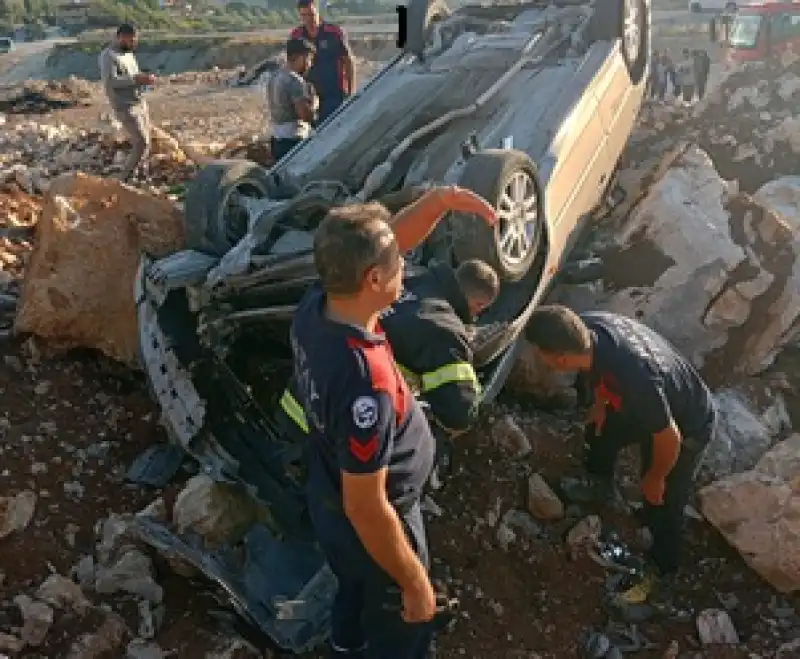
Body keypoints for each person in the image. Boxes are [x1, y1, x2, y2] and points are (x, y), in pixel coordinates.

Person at [289, 188, 496, 658]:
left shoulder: (318, 303)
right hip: (376, 516)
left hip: (325, 482)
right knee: (402, 624)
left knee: (351, 584)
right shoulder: (366, 385)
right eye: (399, 266)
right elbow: (367, 508)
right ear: (373, 278)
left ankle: (345, 642)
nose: (407, 267)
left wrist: (440, 203)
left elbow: (387, 247)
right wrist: (415, 584)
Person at [524, 306, 717, 605]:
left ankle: (660, 571)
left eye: (540, 352)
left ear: (560, 357)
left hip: (686, 424)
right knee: (599, 431)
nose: (539, 357)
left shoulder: (637, 377)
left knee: (661, 500)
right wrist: (601, 405)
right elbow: (601, 372)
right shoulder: (586, 329)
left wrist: (655, 477)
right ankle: (600, 485)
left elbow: (670, 437)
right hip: (649, 407)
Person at [99, 24, 155, 182]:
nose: (134, 43)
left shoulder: (128, 54)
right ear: (121, 37)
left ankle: (141, 176)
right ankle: (124, 179)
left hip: (139, 102)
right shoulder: (108, 56)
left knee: (148, 142)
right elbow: (111, 82)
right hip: (125, 106)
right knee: (141, 142)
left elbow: (134, 75)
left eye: (135, 40)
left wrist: (144, 79)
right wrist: (135, 79)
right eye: (131, 40)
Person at [291, 0, 356, 123]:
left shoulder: (334, 32)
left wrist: (351, 91)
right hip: (310, 96)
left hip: (335, 94)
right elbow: (292, 65)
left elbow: (348, 61)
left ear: (317, 11)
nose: (308, 19)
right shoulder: (297, 36)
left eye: (311, 14)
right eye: (304, 15)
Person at [268, 37, 318, 161]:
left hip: (277, 139)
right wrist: (314, 103)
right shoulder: (294, 81)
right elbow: (305, 115)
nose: (310, 64)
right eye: (309, 59)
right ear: (301, 57)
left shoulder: (275, 76)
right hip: (293, 141)